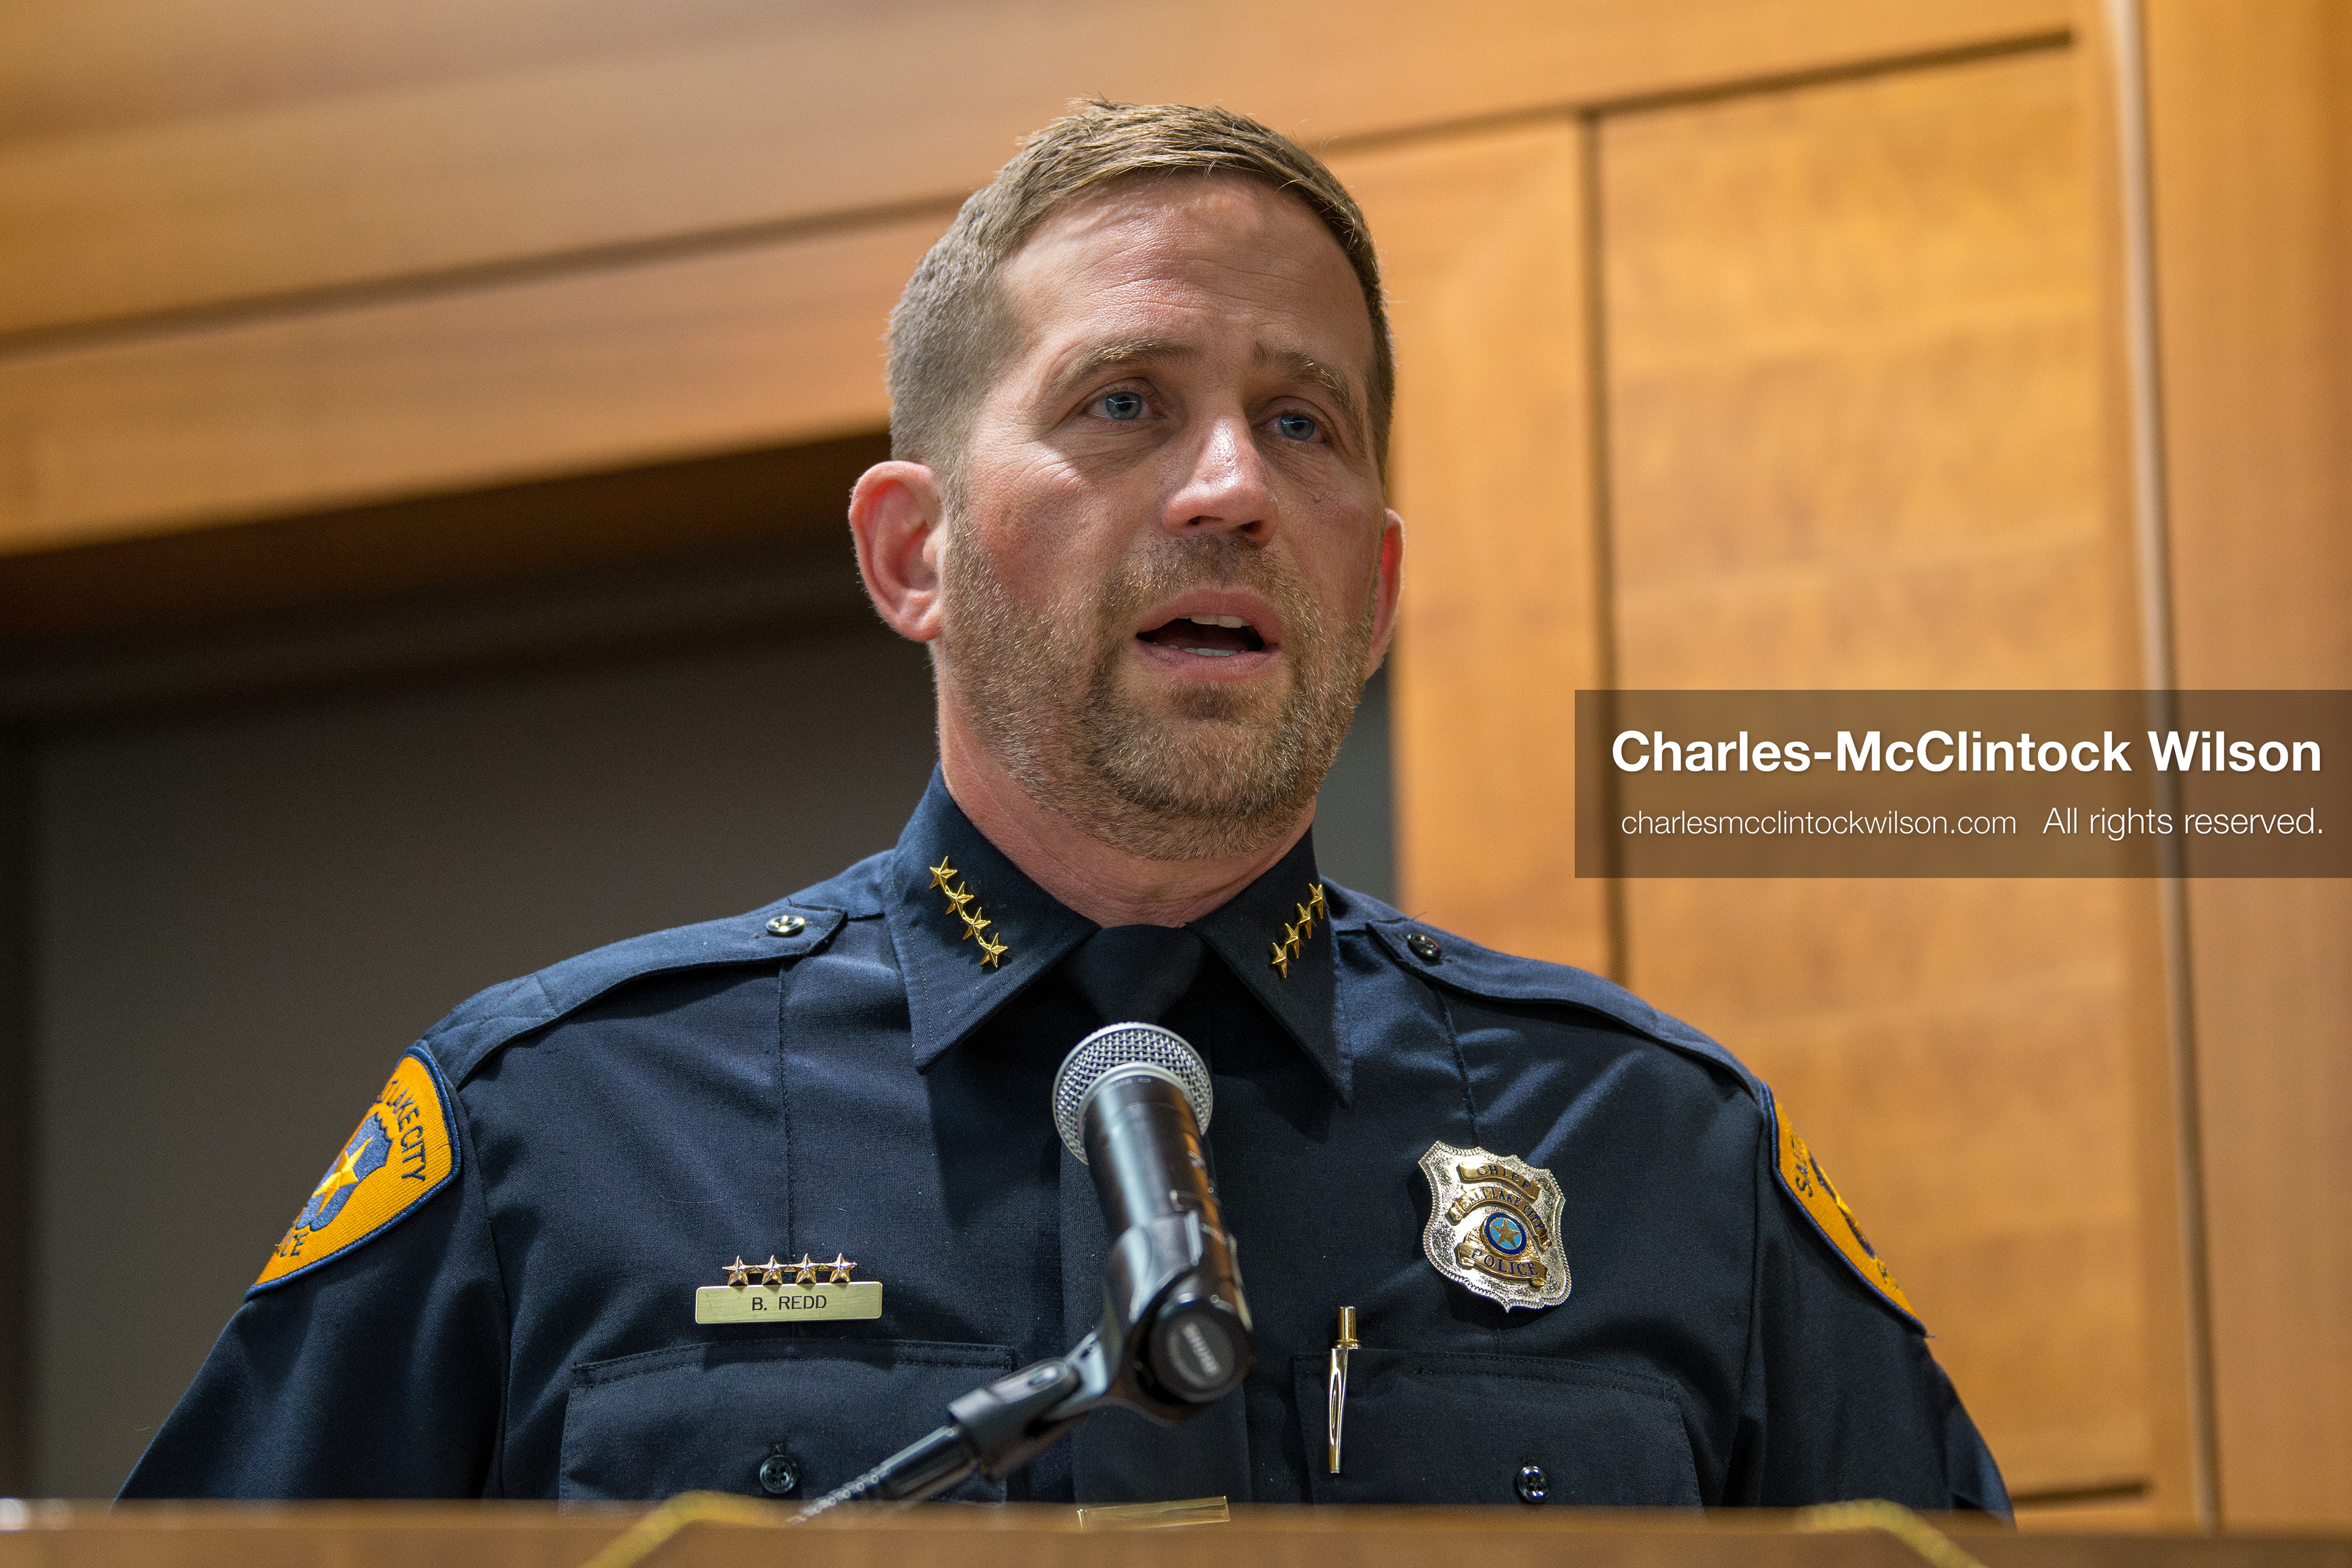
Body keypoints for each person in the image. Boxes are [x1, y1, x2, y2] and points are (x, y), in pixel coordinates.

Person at [122, 100, 2009, 1512]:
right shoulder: (559, 1132)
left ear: (1378, 587)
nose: (1228, 488)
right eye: (1122, 403)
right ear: (911, 550)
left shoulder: (1663, 1154)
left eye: (1304, 421)